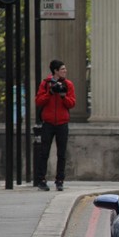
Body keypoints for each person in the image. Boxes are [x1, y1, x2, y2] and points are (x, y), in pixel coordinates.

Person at [35, 59, 76, 191]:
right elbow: (39, 101)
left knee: (62, 154)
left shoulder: (68, 84)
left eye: (65, 69)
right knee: (44, 152)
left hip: (62, 123)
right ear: (55, 71)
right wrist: (50, 93)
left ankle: (60, 180)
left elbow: (72, 103)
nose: (65, 71)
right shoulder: (45, 84)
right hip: (48, 123)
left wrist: (63, 96)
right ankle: (41, 180)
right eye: (62, 69)